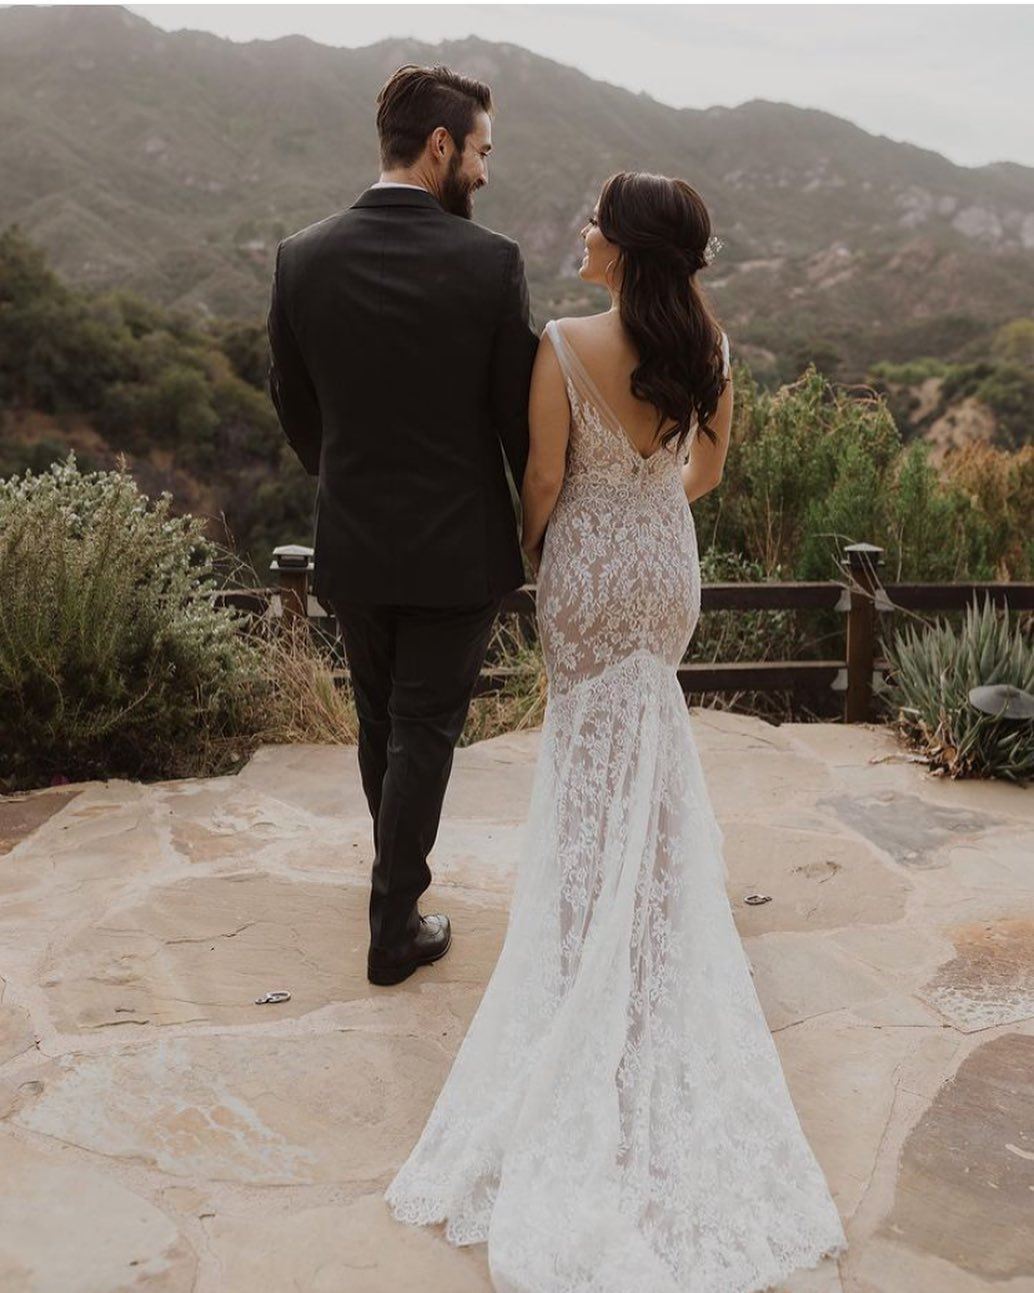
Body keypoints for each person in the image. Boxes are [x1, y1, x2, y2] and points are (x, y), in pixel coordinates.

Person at [383, 171, 849, 1292]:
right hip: (664, 572)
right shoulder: (711, 342)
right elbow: (709, 469)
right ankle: (643, 954)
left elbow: (541, 477)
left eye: (594, 220)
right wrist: (647, 502)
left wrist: (547, 544)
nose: (580, 232)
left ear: (625, 246)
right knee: (649, 750)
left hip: (589, 570)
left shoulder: (561, 342)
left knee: (582, 766)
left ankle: (583, 961)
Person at [266, 64, 538, 985]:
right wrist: (538, 523)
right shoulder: (491, 264)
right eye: (481, 152)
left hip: (352, 536)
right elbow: (517, 421)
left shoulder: (300, 258)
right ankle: (394, 926)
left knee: (382, 722)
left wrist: (349, 481)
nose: (485, 173)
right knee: (423, 727)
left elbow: (296, 408)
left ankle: (394, 886)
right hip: (460, 547)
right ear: (440, 147)